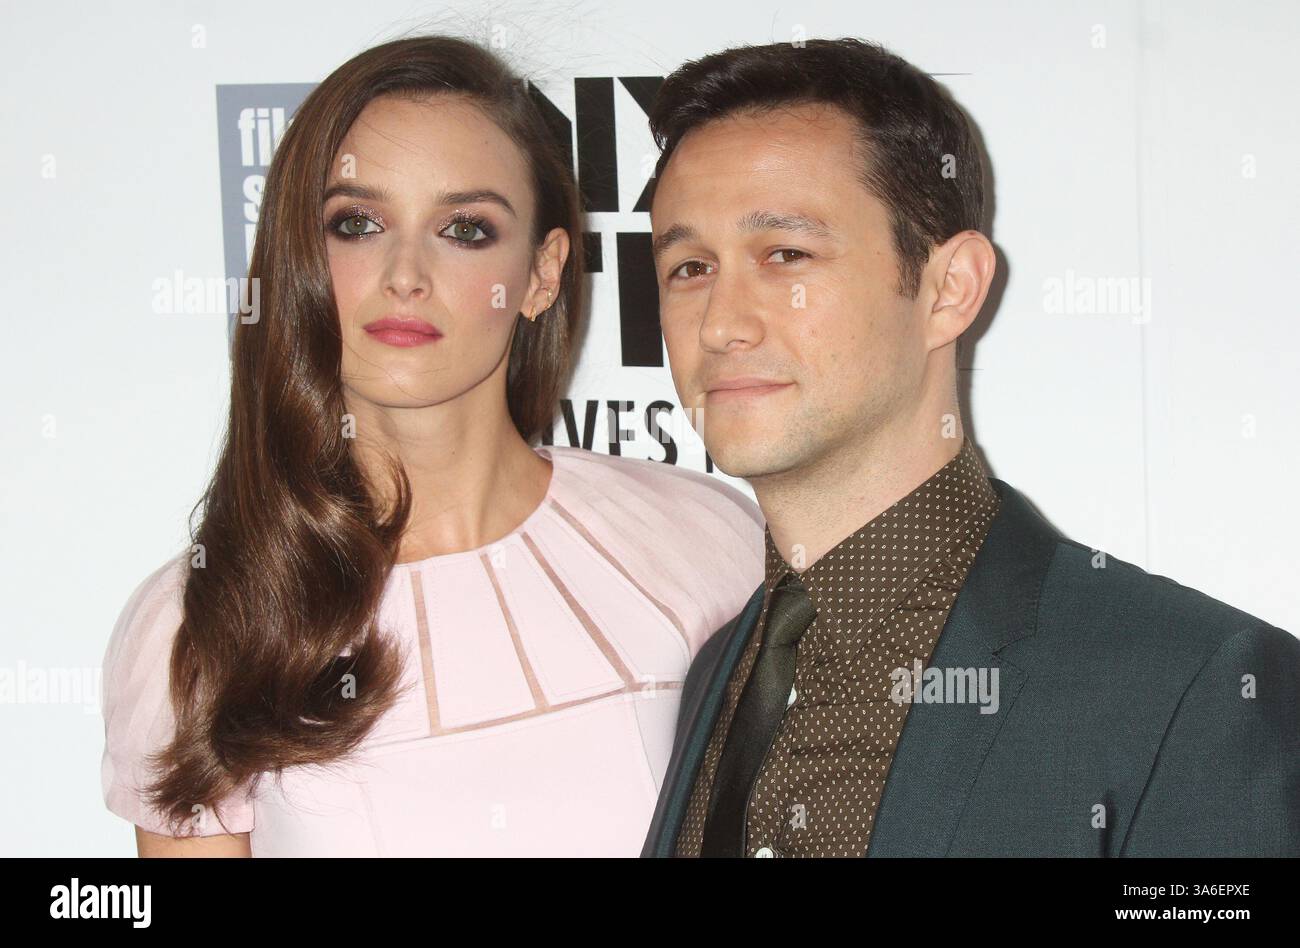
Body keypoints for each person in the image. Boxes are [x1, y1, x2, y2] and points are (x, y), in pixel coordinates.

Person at [100, 35, 763, 857]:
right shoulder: (204, 621)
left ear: (542, 274)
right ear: (299, 256)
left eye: (465, 229)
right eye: (359, 222)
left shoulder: (705, 542)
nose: (405, 272)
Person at [641, 37, 1300, 857]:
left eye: (786, 255)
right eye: (690, 267)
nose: (721, 324)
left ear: (949, 289)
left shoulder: (1191, 690)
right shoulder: (717, 670)